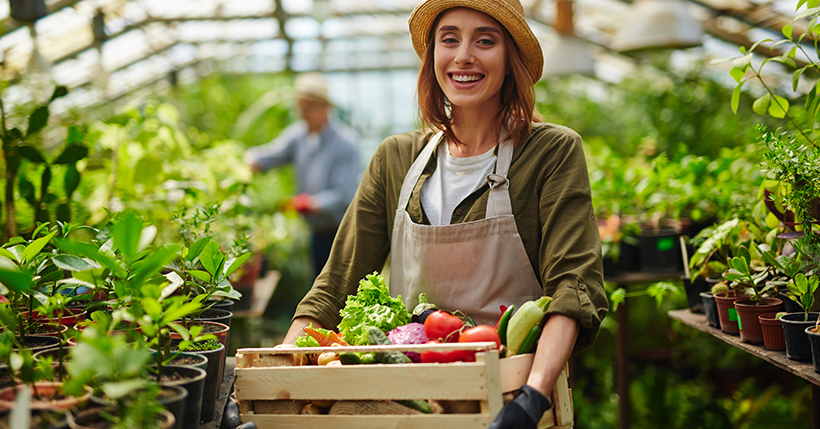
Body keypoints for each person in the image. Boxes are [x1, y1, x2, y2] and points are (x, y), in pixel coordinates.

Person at [281, 1, 608, 427]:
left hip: (509, 393)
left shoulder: (550, 153)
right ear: (432, 55)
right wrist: (270, 378)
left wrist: (532, 398)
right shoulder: (396, 159)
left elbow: (574, 287)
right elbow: (334, 287)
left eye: (485, 41)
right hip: (405, 401)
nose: (464, 55)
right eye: (449, 39)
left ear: (510, 60)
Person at [244, 72, 360, 276]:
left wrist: (309, 203)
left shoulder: (346, 143)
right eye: (300, 106)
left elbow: (343, 195)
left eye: (309, 106)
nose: (303, 112)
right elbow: (272, 155)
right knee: (319, 282)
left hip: (343, 232)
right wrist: (248, 160)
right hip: (316, 230)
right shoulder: (298, 136)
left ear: (325, 107)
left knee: (341, 285)